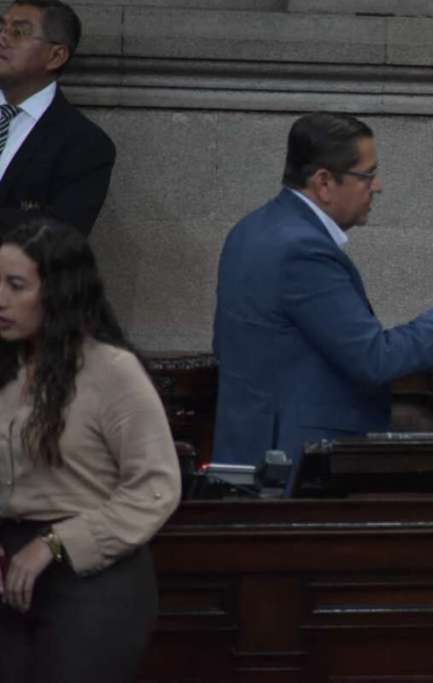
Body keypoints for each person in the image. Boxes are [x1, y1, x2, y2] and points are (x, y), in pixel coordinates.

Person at [213, 112, 433, 477]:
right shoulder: (302, 250)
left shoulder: (250, 229)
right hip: (296, 466)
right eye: (367, 175)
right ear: (324, 182)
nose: (377, 186)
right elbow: (374, 359)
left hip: (249, 449)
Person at [0, 214, 181, 683]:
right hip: (8, 574)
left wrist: (56, 543)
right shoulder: (5, 369)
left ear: (59, 292)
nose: (0, 299)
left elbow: (155, 487)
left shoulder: (112, 371)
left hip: (90, 579)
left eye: (16, 286)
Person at [0, 1, 115, 235]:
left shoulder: (85, 145)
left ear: (56, 56)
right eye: (1, 28)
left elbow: (59, 235)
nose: (3, 37)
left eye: (19, 32)